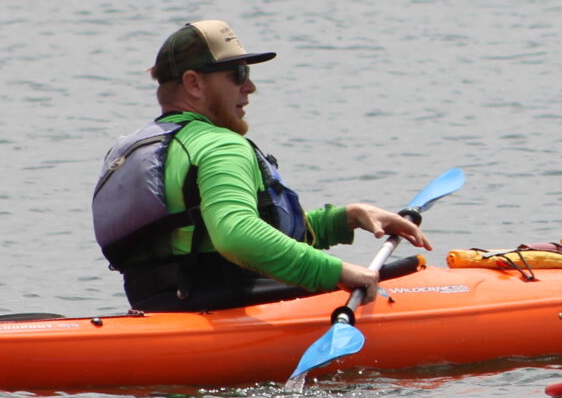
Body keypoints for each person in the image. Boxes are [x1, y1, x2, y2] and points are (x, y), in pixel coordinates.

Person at [92, 20, 428, 313]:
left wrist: (346, 219)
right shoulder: (219, 146)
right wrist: (336, 272)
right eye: (238, 75)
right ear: (194, 83)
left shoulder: (144, 145)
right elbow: (238, 236)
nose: (250, 87)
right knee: (408, 276)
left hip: (162, 305)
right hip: (225, 304)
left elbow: (209, 237)